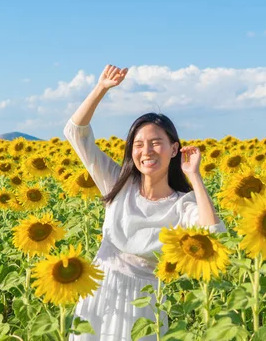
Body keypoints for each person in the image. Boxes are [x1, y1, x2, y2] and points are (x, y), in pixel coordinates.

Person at [64, 64, 226, 340]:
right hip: (99, 289)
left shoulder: (181, 204)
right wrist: (101, 88)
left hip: (146, 304)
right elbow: (75, 133)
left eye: (156, 143)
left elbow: (214, 235)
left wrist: (194, 176)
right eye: (138, 144)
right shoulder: (118, 183)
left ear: (174, 148)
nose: (146, 151)